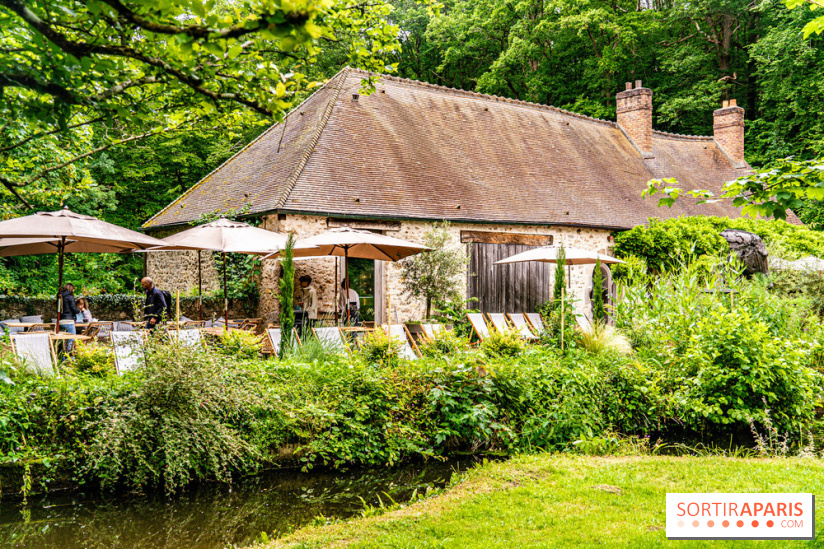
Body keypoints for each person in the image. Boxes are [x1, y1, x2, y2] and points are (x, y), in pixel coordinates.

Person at [58, 283, 81, 351]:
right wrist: (78, 310)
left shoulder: (60, 297)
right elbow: (73, 308)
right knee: (71, 340)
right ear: (71, 289)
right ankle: (70, 358)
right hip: (69, 321)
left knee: (63, 342)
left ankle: (63, 358)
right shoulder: (70, 297)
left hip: (60, 321)